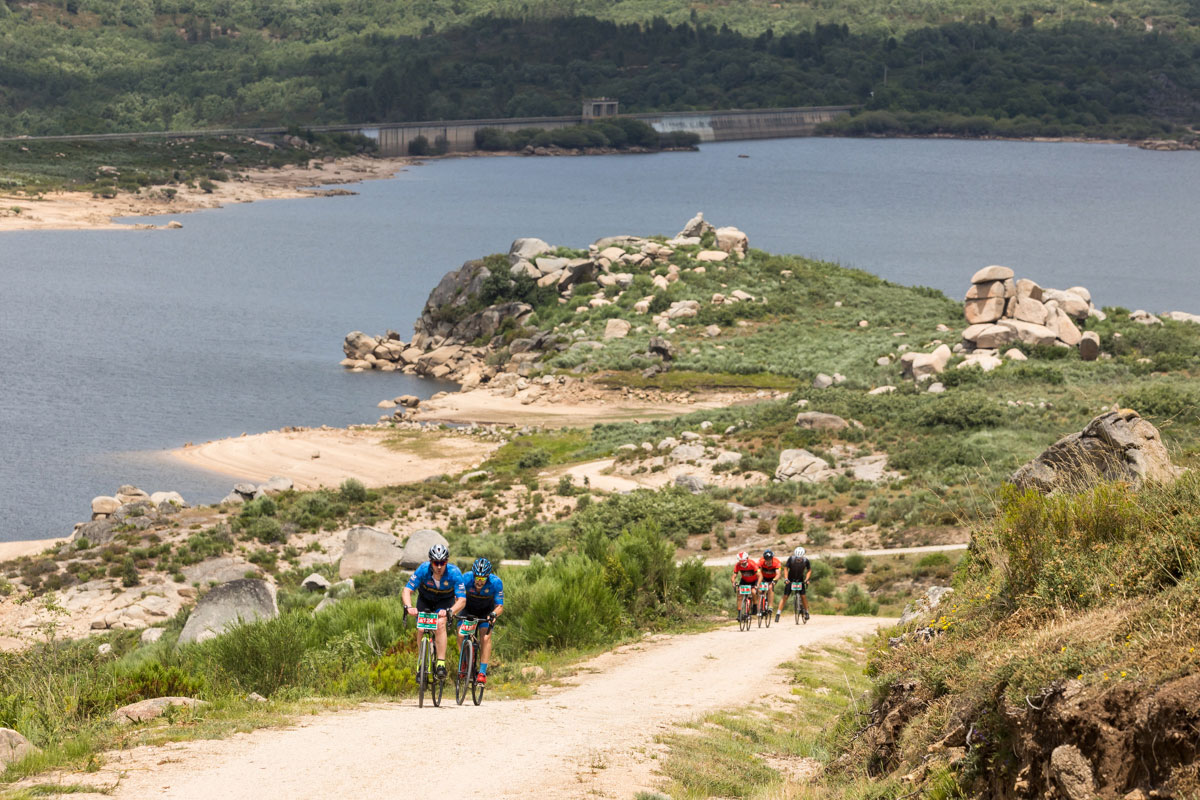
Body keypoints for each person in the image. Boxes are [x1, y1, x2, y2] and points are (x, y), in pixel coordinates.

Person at [401, 543, 466, 679]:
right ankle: (421, 663)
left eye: (442, 562)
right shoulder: (423, 570)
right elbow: (407, 590)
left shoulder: (454, 573)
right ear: (431, 561)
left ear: (447, 561)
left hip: (445, 602)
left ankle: (441, 664)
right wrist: (408, 607)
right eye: (436, 563)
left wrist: (451, 611)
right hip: (425, 600)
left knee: (440, 624)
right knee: (420, 628)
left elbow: (462, 600)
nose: (439, 566)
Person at [458, 557, 504, 685]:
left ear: (488, 577)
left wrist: (494, 614)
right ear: (473, 575)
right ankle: (465, 662)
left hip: (486, 612)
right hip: (468, 610)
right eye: (477, 577)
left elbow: (500, 606)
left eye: (483, 578)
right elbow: (458, 598)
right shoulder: (466, 579)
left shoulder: (495, 582)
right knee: (461, 635)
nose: (479, 581)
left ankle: (482, 673)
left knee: (485, 637)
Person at [777, 546, 812, 623]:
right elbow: (786, 568)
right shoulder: (791, 559)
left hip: (800, 579)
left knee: (803, 596)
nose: (798, 559)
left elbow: (809, 570)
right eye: (797, 558)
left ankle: (806, 612)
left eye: (800, 558)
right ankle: (778, 614)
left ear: (803, 556)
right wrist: (786, 579)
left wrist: (807, 579)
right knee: (785, 596)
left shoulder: (806, 560)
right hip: (790, 579)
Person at [731, 551, 760, 618]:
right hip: (744, 580)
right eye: (741, 564)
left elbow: (760, 575)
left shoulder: (752, 563)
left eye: (744, 563)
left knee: (753, 592)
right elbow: (734, 575)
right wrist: (733, 582)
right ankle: (739, 614)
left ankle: (755, 605)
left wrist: (758, 584)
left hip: (754, 581)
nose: (743, 565)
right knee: (739, 594)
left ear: (747, 559)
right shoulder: (737, 565)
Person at [756, 549, 782, 618]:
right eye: (766, 560)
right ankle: (759, 606)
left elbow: (778, 574)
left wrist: (774, 581)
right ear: (764, 559)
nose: (768, 561)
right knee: (759, 589)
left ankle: (770, 606)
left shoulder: (777, 562)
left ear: (772, 558)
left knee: (770, 587)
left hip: (773, 578)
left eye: (770, 559)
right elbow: (758, 572)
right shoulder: (760, 562)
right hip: (763, 578)